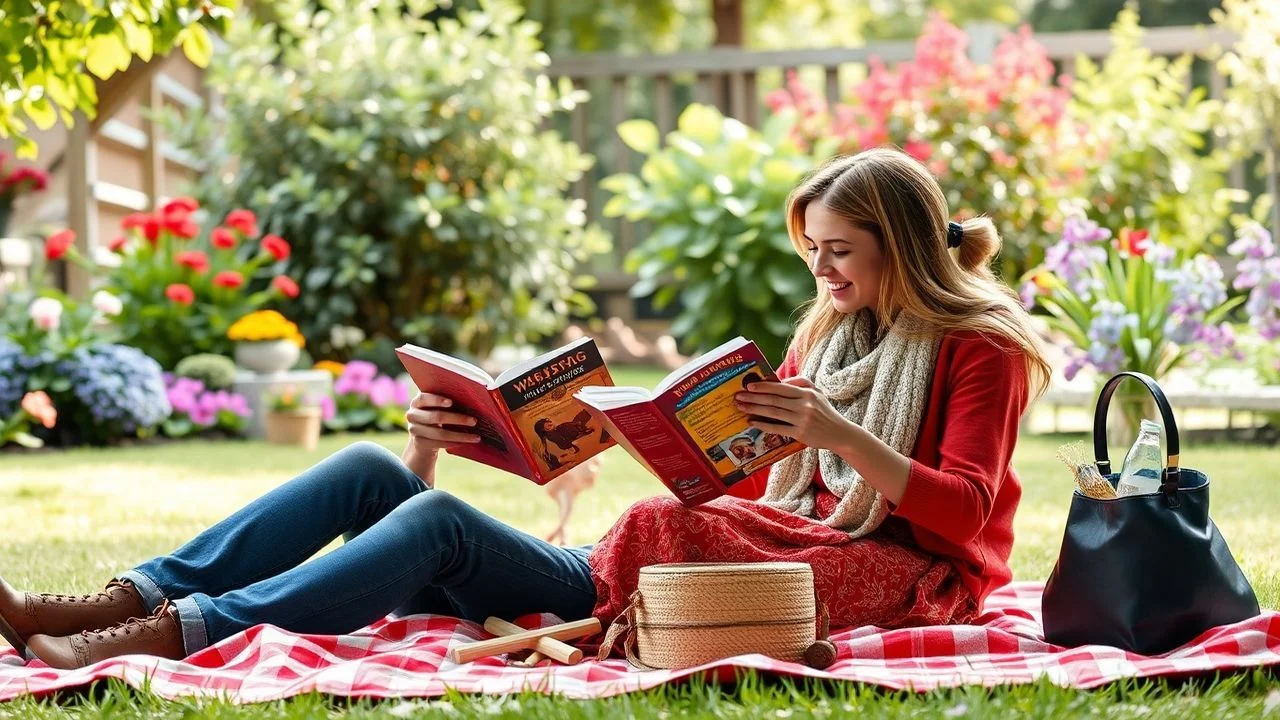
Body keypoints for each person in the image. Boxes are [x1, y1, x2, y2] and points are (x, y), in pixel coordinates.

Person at [0, 148, 1049, 669]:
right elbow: (734, 485)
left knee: (455, 532)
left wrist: (824, 431)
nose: (818, 271)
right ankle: (116, 601)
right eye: (809, 250)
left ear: (899, 251)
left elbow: (960, 517)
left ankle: (172, 634)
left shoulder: (978, 348)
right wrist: (475, 440)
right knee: (378, 472)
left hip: (894, 578)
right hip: (731, 543)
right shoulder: (833, 332)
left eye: (839, 254)